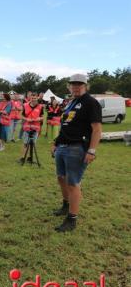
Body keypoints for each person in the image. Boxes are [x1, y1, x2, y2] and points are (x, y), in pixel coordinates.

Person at [51, 74, 102, 232]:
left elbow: (97, 129)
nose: (76, 87)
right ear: (69, 86)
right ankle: (66, 205)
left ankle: (72, 219)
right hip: (62, 146)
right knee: (61, 178)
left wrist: (92, 150)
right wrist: (56, 142)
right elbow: (66, 125)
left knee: (73, 183)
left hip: (77, 148)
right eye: (73, 84)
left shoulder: (91, 103)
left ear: (86, 86)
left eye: (80, 84)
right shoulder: (70, 102)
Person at [18, 97, 43, 163]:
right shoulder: (25, 106)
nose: (34, 100)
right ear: (30, 99)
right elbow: (22, 115)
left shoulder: (40, 107)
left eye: (35, 99)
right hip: (27, 127)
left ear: (37, 100)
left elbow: (42, 116)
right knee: (25, 143)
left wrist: (39, 119)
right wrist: (26, 119)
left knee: (33, 143)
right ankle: (22, 158)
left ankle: (30, 158)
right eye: (33, 99)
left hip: (36, 128)